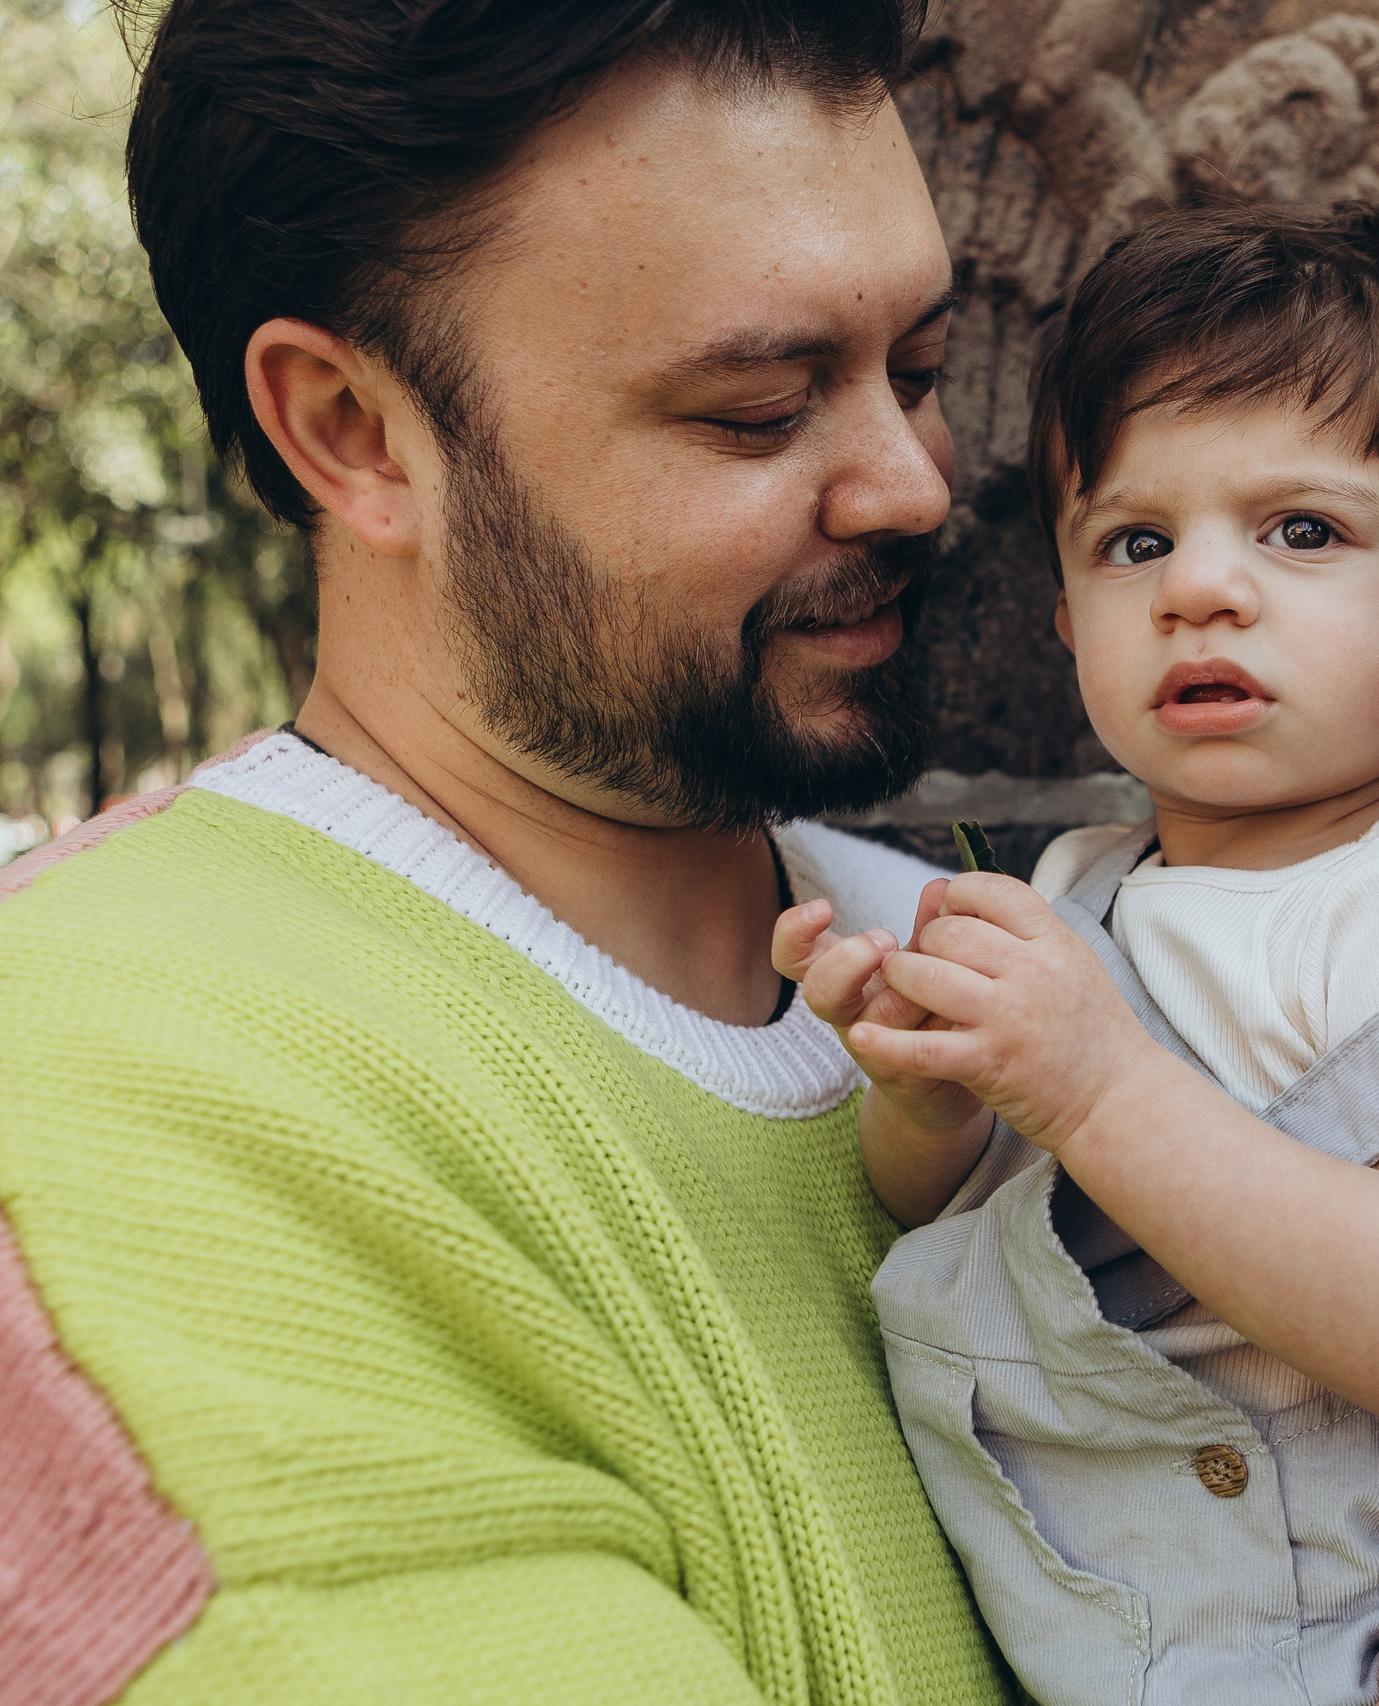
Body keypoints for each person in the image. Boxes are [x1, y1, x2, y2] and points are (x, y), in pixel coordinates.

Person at [0, 2, 1014, 1700]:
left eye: (917, 368)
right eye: (760, 410)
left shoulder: (995, 946)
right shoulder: (106, 1089)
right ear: (350, 430)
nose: (909, 483)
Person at [773, 203, 1379, 1706]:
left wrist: (1092, 1088)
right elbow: (927, 1210)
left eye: (1302, 531)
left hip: (1307, 1633)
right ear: (1072, 618)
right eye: (1139, 540)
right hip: (1089, 1624)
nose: (1201, 586)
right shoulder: (1089, 880)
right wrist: (935, 1099)